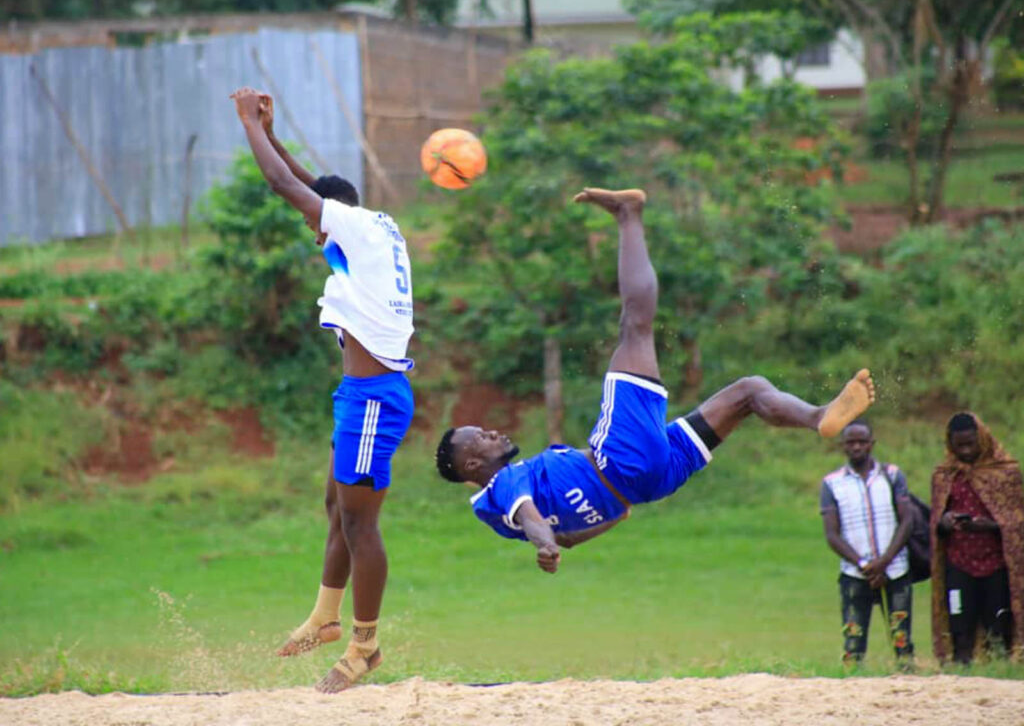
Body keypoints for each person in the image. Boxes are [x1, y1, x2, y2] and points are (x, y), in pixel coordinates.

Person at [434, 187, 876, 574]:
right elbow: (534, 519)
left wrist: (610, 515)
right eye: (483, 438)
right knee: (635, 326)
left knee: (749, 391)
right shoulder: (503, 485)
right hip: (620, 462)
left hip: (649, 483)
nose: (493, 434)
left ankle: (820, 416)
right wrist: (544, 544)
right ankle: (628, 213)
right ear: (473, 465)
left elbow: (566, 536)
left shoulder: (494, 512)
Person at [230, 87, 415, 692]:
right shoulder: (371, 226)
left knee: (361, 525)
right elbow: (307, 184)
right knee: (337, 508)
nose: (315, 236)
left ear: (330, 220)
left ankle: (365, 646)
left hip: (373, 400)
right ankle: (324, 618)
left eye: (317, 226)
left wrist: (245, 124)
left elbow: (286, 186)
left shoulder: (352, 233)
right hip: (362, 397)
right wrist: (268, 127)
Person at [930, 412, 1024, 664]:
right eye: (959, 446)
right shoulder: (944, 475)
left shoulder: (1005, 473)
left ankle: (999, 675)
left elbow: (1017, 522)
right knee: (960, 627)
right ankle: (961, 677)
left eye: (970, 444)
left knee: (999, 627)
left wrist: (992, 526)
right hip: (959, 563)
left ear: (982, 439)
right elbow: (935, 524)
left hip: (996, 565)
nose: (966, 451)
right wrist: (944, 522)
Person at [820, 419, 914, 664]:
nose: (857, 447)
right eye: (851, 442)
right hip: (854, 572)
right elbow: (832, 534)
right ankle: (852, 691)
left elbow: (907, 522)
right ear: (843, 446)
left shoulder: (892, 476)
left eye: (862, 442)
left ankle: (908, 689)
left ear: (872, 444)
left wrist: (884, 561)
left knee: (902, 641)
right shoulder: (832, 483)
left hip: (895, 570)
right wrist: (864, 563)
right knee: (853, 644)